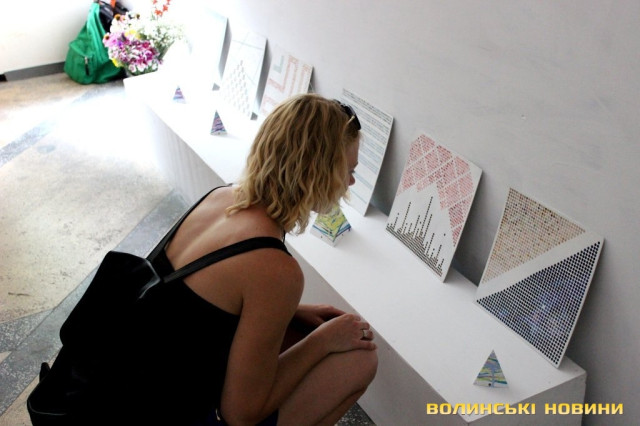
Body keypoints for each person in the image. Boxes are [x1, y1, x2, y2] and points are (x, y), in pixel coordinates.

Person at [137, 93, 377, 425]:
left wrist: (291, 312)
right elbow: (241, 414)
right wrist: (323, 341)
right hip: (169, 412)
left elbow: (195, 304)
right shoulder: (275, 268)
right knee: (359, 361)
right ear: (317, 173)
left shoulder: (221, 197)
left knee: (298, 332)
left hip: (133, 382)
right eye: (348, 171)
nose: (350, 182)